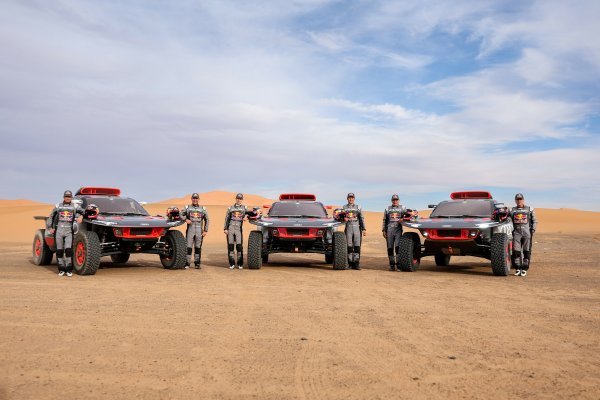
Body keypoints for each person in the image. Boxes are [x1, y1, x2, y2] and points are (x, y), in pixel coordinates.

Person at [47, 190, 84, 277]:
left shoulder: (75, 206)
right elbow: (51, 216)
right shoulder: (58, 206)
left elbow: (83, 211)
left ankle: (68, 270)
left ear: (71, 198)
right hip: (59, 231)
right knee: (59, 251)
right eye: (66, 196)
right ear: (63, 197)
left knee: (68, 250)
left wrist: (81, 216)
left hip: (68, 231)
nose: (68, 198)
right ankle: (61, 270)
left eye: (69, 197)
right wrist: (50, 227)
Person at [510, 193, 537, 277]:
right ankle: (518, 268)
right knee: (516, 251)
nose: (519, 201)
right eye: (517, 199)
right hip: (516, 233)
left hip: (527, 233)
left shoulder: (530, 209)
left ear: (523, 200)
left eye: (520, 199)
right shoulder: (512, 210)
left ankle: (524, 269)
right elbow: (508, 220)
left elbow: (535, 220)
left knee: (526, 251)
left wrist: (532, 229)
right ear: (515, 200)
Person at [181, 193, 209, 269]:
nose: (195, 200)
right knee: (188, 247)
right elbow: (180, 214)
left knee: (198, 247)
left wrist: (205, 230)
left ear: (198, 199)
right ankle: (187, 263)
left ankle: (197, 263)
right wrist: (186, 219)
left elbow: (207, 220)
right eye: (194, 198)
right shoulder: (187, 208)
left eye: (196, 198)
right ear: (191, 199)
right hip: (190, 230)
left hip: (199, 231)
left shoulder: (203, 209)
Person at [224, 193, 249, 270]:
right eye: (238, 198)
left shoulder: (244, 208)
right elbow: (227, 218)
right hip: (231, 228)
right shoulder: (230, 208)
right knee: (230, 247)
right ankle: (231, 264)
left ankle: (240, 264)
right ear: (236, 199)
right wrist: (225, 228)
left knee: (239, 247)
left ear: (242, 200)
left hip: (238, 229)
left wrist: (246, 217)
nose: (239, 200)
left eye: (240, 199)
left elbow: (249, 214)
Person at [342, 193, 366, 269]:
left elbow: (361, 218)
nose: (351, 199)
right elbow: (341, 217)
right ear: (347, 199)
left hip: (357, 228)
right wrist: (343, 219)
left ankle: (356, 264)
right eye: (349, 198)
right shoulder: (344, 207)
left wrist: (364, 229)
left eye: (352, 198)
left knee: (357, 246)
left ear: (354, 199)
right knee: (349, 246)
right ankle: (350, 263)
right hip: (348, 227)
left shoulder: (358, 207)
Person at [382, 194, 405, 271]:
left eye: (396, 200)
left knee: (398, 247)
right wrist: (383, 230)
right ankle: (392, 265)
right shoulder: (387, 208)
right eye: (393, 200)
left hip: (398, 230)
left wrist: (403, 219)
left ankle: (398, 265)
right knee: (390, 248)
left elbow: (407, 216)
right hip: (389, 230)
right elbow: (384, 220)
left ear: (398, 200)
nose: (395, 201)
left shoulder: (402, 208)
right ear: (392, 200)